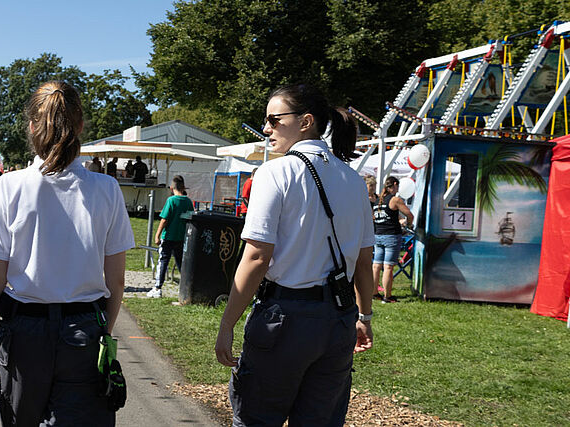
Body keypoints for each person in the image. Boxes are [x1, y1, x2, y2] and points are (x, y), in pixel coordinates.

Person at [214, 83, 376, 426]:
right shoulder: (353, 179)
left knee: (256, 418)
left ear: (305, 121)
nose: (266, 128)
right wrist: (365, 317)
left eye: (275, 119)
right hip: (338, 320)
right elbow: (364, 262)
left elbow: (257, 257)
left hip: (285, 319)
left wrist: (227, 324)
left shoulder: (275, 172)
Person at [0, 81, 133, 426]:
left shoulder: (9, 187)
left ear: (32, 127)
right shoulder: (106, 189)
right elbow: (116, 280)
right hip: (84, 331)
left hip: (23, 333)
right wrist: (103, 332)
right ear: (79, 126)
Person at [148, 175, 194, 298]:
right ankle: (185, 286)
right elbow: (190, 217)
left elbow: (164, 219)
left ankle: (158, 287)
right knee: (180, 262)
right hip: (181, 237)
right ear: (184, 187)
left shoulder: (171, 201)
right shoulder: (188, 201)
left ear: (171, 187)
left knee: (163, 261)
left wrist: (157, 235)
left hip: (168, 237)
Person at [372, 176, 413, 302]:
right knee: (388, 267)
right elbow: (409, 215)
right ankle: (387, 296)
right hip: (391, 236)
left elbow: (375, 217)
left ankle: (374, 294)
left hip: (378, 235)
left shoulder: (377, 200)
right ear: (395, 184)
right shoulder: (395, 200)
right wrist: (409, 224)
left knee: (376, 266)